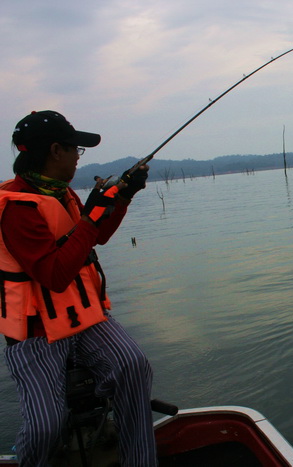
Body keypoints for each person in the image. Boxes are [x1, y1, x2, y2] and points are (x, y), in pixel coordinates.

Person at [0, 110, 156, 466]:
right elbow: (53, 275)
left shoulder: (60, 192)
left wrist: (123, 198)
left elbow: (93, 237)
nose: (77, 157)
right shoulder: (17, 208)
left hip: (84, 318)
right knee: (45, 427)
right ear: (56, 151)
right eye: (75, 150)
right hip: (36, 333)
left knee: (134, 365)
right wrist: (93, 215)